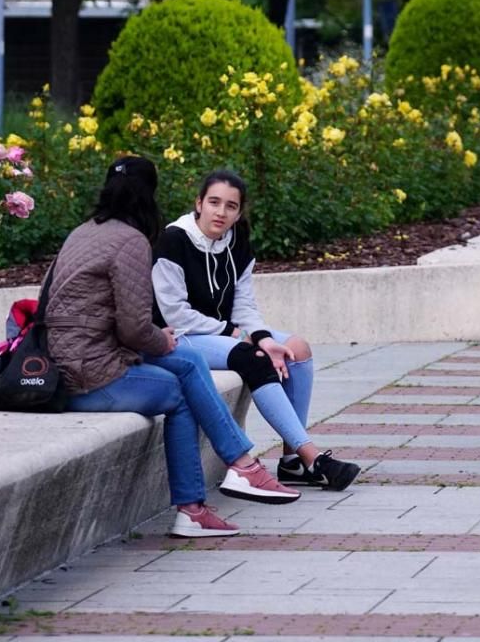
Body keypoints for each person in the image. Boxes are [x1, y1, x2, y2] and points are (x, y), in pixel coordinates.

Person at [51, 157, 300, 539]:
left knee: (187, 361)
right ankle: (214, 490)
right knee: (180, 390)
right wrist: (162, 339)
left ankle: (232, 476)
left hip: (65, 363)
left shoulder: (81, 233)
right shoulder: (131, 240)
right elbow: (135, 328)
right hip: (90, 376)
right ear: (149, 196)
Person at [152, 170, 361, 492]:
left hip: (224, 331)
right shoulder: (174, 239)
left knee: (297, 349)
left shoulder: (237, 239)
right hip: (182, 335)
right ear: (199, 203)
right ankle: (313, 457)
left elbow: (244, 303)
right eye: (214, 202)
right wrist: (238, 335)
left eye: (231, 206)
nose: (221, 212)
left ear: (239, 212)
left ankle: (293, 461)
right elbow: (175, 313)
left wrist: (261, 335)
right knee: (255, 357)